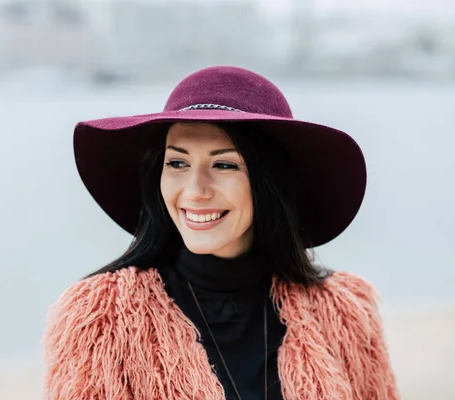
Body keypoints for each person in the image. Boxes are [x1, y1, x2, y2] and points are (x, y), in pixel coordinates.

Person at [43, 66, 400, 399]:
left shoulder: (344, 312)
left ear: (268, 181)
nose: (196, 190)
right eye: (178, 163)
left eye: (224, 164)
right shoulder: (101, 318)